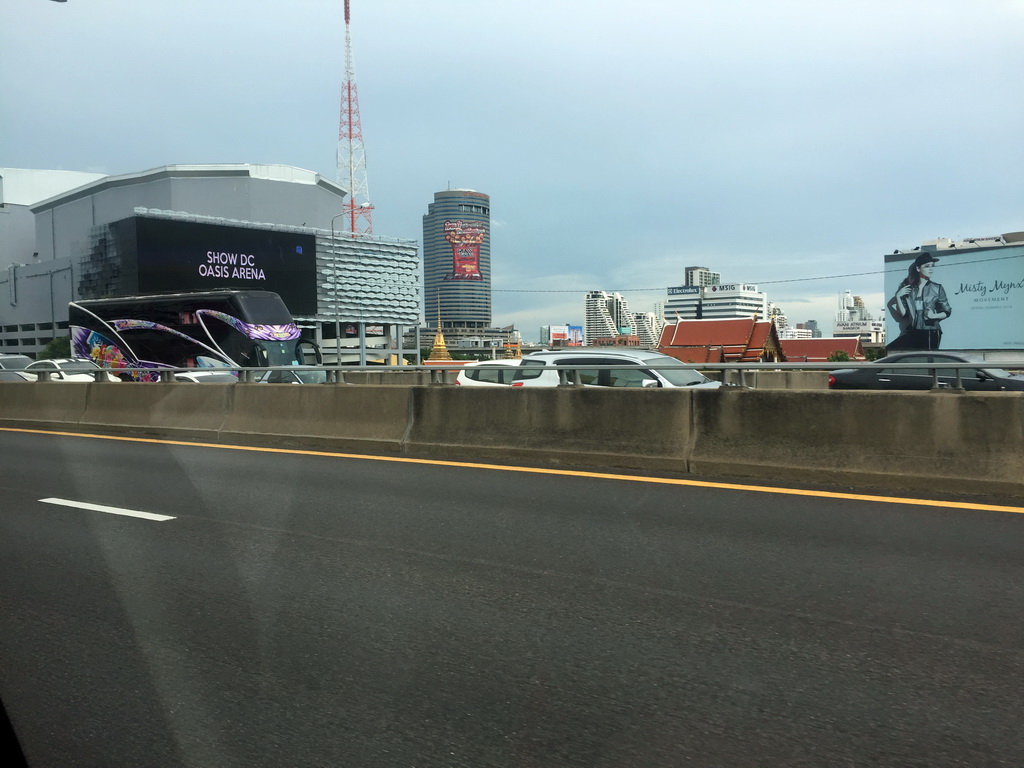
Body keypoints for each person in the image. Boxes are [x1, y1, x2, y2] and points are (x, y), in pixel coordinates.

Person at [886, 252, 951, 351]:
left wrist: (934, 316)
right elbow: (903, 314)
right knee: (892, 349)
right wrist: (898, 296)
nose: (931, 269)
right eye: (927, 266)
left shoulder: (937, 288)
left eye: (932, 266)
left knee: (928, 360)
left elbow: (947, 311)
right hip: (913, 331)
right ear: (918, 268)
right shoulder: (909, 289)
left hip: (931, 332)